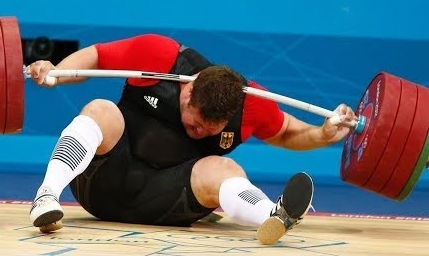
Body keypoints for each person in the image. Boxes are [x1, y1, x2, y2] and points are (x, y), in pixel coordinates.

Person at [27, 33, 356, 245]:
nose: (199, 132)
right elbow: (97, 56)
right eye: (196, 123)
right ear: (187, 93)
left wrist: (324, 133)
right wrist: (57, 72)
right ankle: (46, 196)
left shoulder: (252, 101)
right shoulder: (158, 56)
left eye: (210, 130)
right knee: (101, 110)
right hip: (100, 184)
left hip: (168, 202)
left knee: (223, 167)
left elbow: (286, 132)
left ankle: (273, 216)